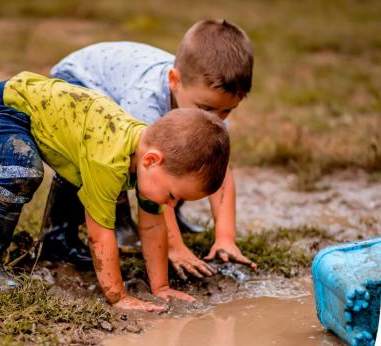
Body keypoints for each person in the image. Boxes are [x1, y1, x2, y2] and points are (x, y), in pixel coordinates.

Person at [0, 72, 229, 311]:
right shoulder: (108, 161)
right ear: (151, 160)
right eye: (173, 195)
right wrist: (118, 296)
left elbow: (152, 226)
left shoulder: (148, 158)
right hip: (4, 109)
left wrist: (161, 288)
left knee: (78, 175)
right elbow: (100, 234)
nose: (172, 203)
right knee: (24, 171)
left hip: (48, 119)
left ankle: (57, 243)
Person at [45, 19, 257, 277]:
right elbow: (153, 175)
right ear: (174, 81)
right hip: (80, 82)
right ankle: (59, 236)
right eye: (207, 109)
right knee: (103, 159)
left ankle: (170, 217)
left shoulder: (208, 106)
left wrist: (225, 237)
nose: (216, 118)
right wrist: (174, 247)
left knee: (189, 158)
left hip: (116, 84)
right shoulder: (145, 100)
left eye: (227, 110)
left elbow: (219, 171)